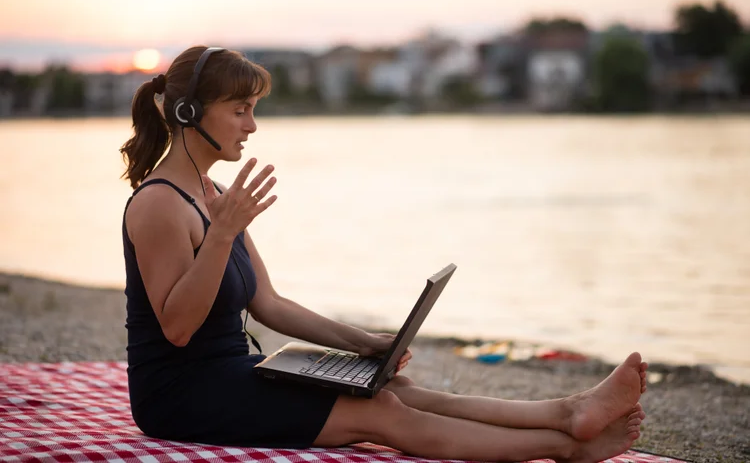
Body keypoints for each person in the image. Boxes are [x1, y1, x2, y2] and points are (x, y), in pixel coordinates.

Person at [120, 45, 649, 463]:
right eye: (240, 111)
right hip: (180, 397)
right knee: (382, 413)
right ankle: (568, 448)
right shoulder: (159, 206)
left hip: (234, 373)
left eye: (253, 110)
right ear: (190, 113)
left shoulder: (212, 195)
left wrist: (369, 345)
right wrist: (221, 237)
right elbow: (178, 329)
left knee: (396, 387)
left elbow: (269, 305)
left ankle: (568, 411)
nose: (252, 126)